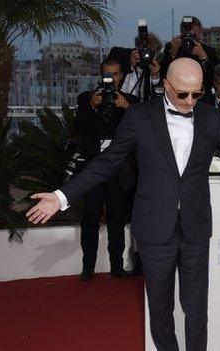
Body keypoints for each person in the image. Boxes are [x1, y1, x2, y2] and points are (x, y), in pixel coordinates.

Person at [26, 58, 220, 351]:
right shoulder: (139, 116)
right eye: (182, 93)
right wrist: (61, 196)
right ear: (166, 85)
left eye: (197, 94)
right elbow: (107, 161)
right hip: (154, 228)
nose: (190, 101)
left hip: (195, 227)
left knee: (196, 309)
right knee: (160, 309)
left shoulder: (210, 117)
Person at [74, 58, 139, 281]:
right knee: (90, 218)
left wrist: (128, 108)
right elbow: (80, 127)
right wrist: (92, 106)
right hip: (93, 169)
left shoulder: (131, 101)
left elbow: (142, 130)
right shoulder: (86, 99)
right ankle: (88, 268)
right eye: (107, 75)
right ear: (101, 76)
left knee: (117, 219)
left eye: (116, 74)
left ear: (122, 76)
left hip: (119, 171)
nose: (112, 79)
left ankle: (117, 267)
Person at [160, 16, 217, 91]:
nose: (190, 32)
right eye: (187, 29)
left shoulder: (209, 50)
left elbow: (214, 77)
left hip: (202, 93)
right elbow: (164, 73)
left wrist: (203, 57)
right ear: (181, 32)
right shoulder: (172, 47)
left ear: (200, 30)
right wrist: (173, 53)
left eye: (193, 29)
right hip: (178, 91)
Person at [120, 32, 163, 101]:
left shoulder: (155, 68)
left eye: (150, 53)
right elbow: (118, 86)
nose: (146, 55)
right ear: (137, 49)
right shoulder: (124, 62)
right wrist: (131, 65)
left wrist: (155, 75)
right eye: (144, 51)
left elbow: (156, 96)